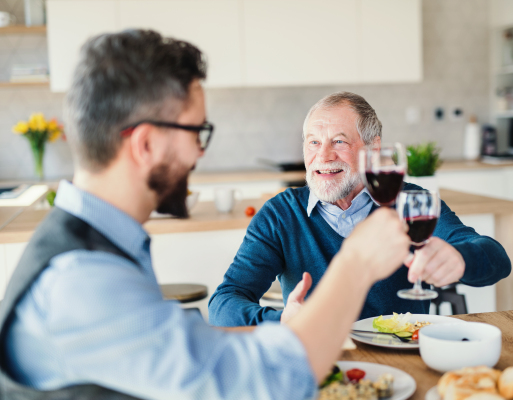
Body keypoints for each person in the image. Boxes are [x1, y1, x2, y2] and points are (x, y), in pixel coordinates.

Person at [0, 31, 413, 400]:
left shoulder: (96, 247)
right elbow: (263, 382)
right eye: (196, 132)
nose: (201, 152)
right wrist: (356, 263)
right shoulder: (83, 279)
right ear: (144, 145)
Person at [208, 91, 512, 327]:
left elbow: (496, 257)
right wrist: (280, 321)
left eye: (338, 141)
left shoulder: (409, 201)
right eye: (313, 142)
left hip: (401, 358)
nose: (323, 156)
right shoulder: (281, 214)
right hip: (322, 362)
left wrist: (460, 258)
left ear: (373, 148)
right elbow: (224, 303)